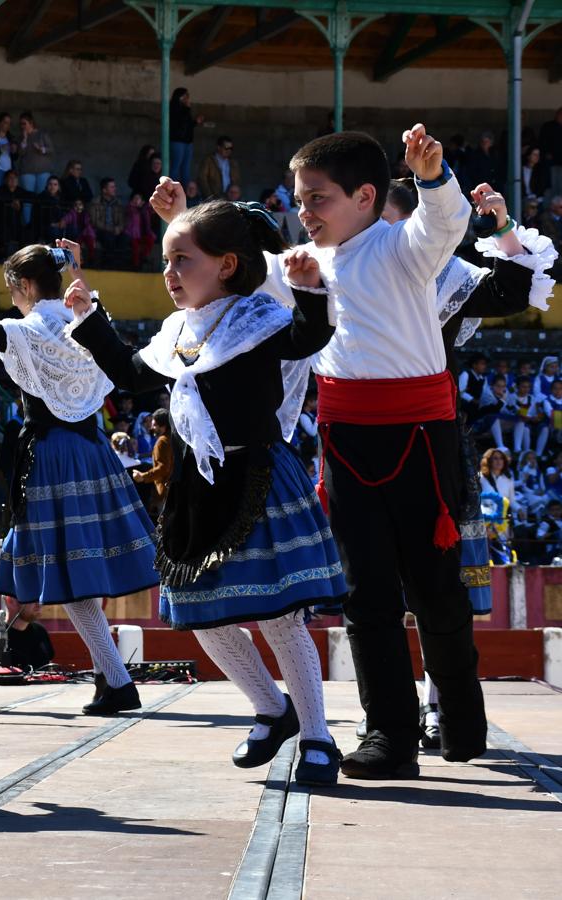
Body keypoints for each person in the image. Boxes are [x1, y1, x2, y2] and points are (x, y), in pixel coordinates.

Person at [152, 124, 487, 779]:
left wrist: (430, 177)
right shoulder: (299, 267)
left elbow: (444, 224)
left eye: (318, 199)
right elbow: (227, 274)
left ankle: (462, 723)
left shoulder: (406, 247)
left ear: (365, 197)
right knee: (365, 596)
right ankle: (390, 735)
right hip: (344, 438)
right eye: (299, 200)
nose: (304, 212)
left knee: (436, 591)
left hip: (421, 434)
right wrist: (180, 217)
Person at [68, 199, 345, 785]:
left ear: (225, 264)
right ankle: (272, 710)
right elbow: (130, 371)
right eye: (165, 262)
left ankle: (319, 738)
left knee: (280, 618)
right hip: (195, 489)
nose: (169, 274)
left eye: (182, 261)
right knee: (200, 615)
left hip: (260, 479)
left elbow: (309, 336)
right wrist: (90, 317)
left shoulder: (260, 320)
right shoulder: (175, 334)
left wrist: (311, 288)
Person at [0, 220, 158, 716]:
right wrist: (78, 270)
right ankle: (112, 678)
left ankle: (117, 681)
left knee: (70, 576)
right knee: (79, 571)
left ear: (22, 286)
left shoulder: (27, 331)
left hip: (52, 457)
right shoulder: (87, 318)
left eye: (14, 290)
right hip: (93, 450)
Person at [15, 112, 55, 225]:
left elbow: (51, 149)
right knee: (28, 201)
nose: (22, 126)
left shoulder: (42, 134)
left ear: (31, 123)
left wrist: (41, 149)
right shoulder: (21, 137)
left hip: (43, 171)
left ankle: (41, 224)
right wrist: (24, 140)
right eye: (20, 124)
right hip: (27, 172)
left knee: (42, 199)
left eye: (24, 123)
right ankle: (28, 225)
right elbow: (20, 153)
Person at [87, 178, 127, 267]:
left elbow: (123, 220)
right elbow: (95, 221)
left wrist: (119, 228)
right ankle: (108, 265)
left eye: (114, 186)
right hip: (101, 231)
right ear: (104, 190)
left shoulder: (118, 203)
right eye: (112, 187)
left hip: (115, 231)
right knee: (108, 239)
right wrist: (111, 229)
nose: (115, 189)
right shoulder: (95, 202)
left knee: (125, 239)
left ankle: (121, 266)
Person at [168, 87, 203, 185]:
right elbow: (179, 124)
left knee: (186, 168)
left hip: (187, 141)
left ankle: (185, 191)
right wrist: (187, 108)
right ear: (180, 97)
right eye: (186, 96)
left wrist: (195, 122)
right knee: (176, 167)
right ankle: (171, 189)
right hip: (177, 141)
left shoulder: (185, 109)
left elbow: (187, 125)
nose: (188, 98)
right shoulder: (174, 108)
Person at [196, 136, 239, 200]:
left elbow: (237, 181)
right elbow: (202, 179)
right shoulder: (208, 160)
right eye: (226, 148)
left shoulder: (233, 162)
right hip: (214, 199)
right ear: (219, 147)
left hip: (229, 199)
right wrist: (209, 197)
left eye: (231, 148)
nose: (229, 150)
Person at [125, 192, 157, 271]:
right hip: (133, 234)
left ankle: (144, 257)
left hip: (143, 234)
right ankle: (136, 266)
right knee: (135, 248)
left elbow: (152, 211)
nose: (136, 201)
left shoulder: (145, 210)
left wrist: (144, 207)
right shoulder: (130, 208)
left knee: (150, 239)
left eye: (138, 199)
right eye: (134, 199)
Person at [0, 112, 18, 182]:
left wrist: (14, 151)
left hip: (9, 171)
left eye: (9, 123)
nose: (8, 125)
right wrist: (2, 148)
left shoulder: (11, 138)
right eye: (6, 122)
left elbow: (15, 157)